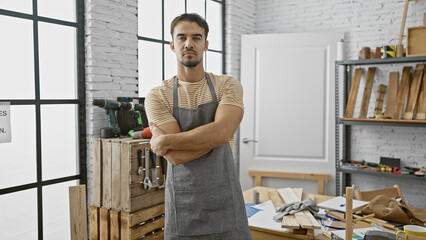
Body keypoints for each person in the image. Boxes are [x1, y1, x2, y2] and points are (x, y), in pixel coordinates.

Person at [145, 13, 252, 240]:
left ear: (206, 45)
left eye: (196, 37)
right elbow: (176, 157)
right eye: (182, 37)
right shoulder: (158, 96)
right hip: (183, 208)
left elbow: (223, 132)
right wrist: (212, 136)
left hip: (226, 204)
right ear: (173, 45)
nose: (189, 44)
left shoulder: (227, 86)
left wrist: (165, 141)